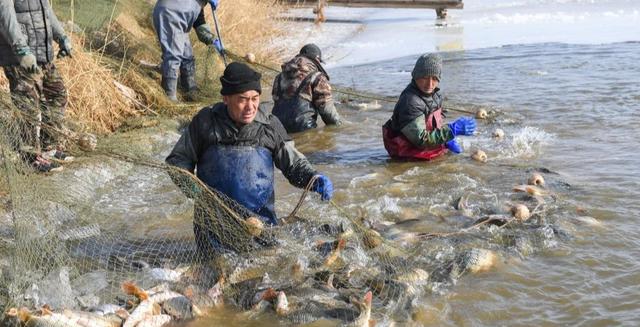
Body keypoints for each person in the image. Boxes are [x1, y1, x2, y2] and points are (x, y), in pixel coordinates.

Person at [166, 62, 334, 255]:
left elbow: (293, 165)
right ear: (226, 98)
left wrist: (313, 178)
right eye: (243, 99)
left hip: (261, 227)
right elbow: (176, 162)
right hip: (212, 229)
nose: (250, 106)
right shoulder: (204, 122)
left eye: (255, 98)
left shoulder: (269, 125)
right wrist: (195, 191)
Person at [0, 0, 74, 172]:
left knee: (57, 93)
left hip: (42, 54)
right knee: (28, 106)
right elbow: (5, 15)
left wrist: (61, 36)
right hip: (19, 58)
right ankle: (31, 157)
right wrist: (21, 51)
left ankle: (48, 147)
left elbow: (46, 11)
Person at [382, 53, 476, 160]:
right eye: (425, 77)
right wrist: (451, 131)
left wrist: (447, 139)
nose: (430, 84)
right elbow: (421, 140)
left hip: (427, 149)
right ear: (416, 75)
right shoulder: (410, 102)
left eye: (434, 78)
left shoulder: (436, 95)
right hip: (408, 155)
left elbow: (436, 123)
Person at [153, 0, 224, 102]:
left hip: (182, 19)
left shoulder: (196, 4)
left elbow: (198, 20)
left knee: (187, 57)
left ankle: (190, 91)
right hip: (171, 13)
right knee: (173, 56)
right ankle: (169, 97)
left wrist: (211, 39)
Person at [271, 43, 341, 133]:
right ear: (317, 59)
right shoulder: (317, 76)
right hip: (304, 129)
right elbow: (326, 110)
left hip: (278, 129)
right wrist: (339, 128)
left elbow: (276, 99)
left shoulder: (279, 77)